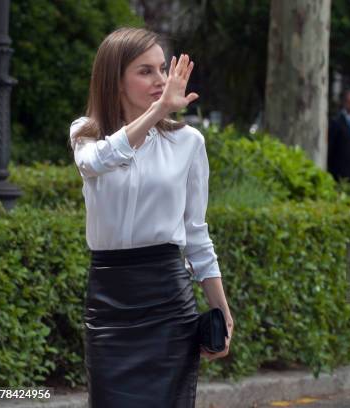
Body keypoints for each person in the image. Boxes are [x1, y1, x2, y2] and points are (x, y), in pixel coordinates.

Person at [69, 27, 233, 408]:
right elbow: (97, 163)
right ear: (115, 79)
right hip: (109, 299)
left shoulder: (188, 142)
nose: (161, 81)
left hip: (167, 300)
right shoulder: (86, 134)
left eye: (163, 69)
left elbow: (196, 235)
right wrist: (159, 110)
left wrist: (221, 309)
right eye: (146, 71)